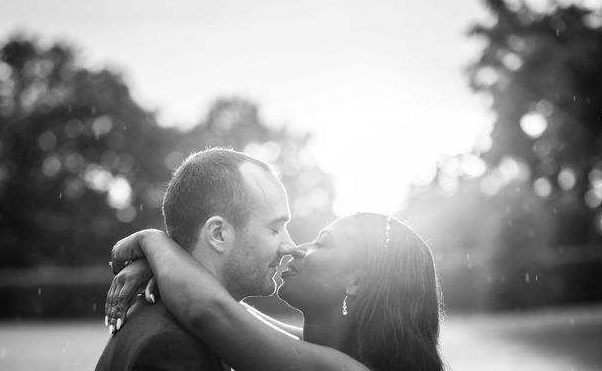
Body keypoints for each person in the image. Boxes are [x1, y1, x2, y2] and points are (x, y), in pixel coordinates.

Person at [106, 213, 445, 371]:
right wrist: (166, 262)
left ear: (355, 281)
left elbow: (210, 311)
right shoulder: (327, 349)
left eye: (322, 243)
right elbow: (233, 309)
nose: (295, 248)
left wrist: (151, 240)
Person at [95, 148, 297, 371]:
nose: (290, 246)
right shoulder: (172, 346)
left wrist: (158, 250)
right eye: (274, 229)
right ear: (218, 234)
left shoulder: (199, 329)